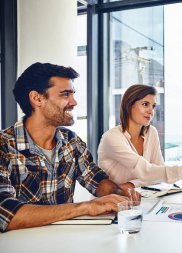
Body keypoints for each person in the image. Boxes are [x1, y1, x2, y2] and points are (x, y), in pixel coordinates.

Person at [0, 62, 140, 232]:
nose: (74, 102)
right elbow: (6, 215)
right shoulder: (4, 146)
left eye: (73, 94)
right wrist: (86, 207)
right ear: (37, 98)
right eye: (65, 95)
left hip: (65, 241)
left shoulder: (71, 141)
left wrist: (118, 192)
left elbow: (95, 179)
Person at [97, 84, 182, 188]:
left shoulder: (151, 132)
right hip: (113, 205)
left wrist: (131, 184)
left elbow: (158, 174)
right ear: (128, 105)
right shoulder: (112, 138)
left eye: (153, 106)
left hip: (141, 199)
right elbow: (147, 171)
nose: (151, 111)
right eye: (145, 104)